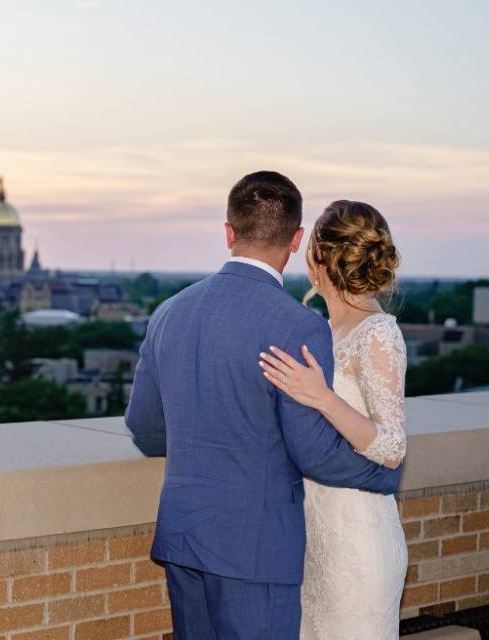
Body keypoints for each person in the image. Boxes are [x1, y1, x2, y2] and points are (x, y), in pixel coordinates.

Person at [124, 171, 402, 639]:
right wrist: (383, 474)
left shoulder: (168, 312)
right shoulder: (298, 326)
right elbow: (312, 451)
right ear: (295, 240)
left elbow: (145, 427)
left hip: (184, 536)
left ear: (229, 232)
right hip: (255, 549)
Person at [259, 199, 407, 639]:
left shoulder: (378, 333)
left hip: (359, 540)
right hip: (316, 537)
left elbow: (393, 447)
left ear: (318, 256)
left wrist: (323, 397)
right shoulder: (324, 328)